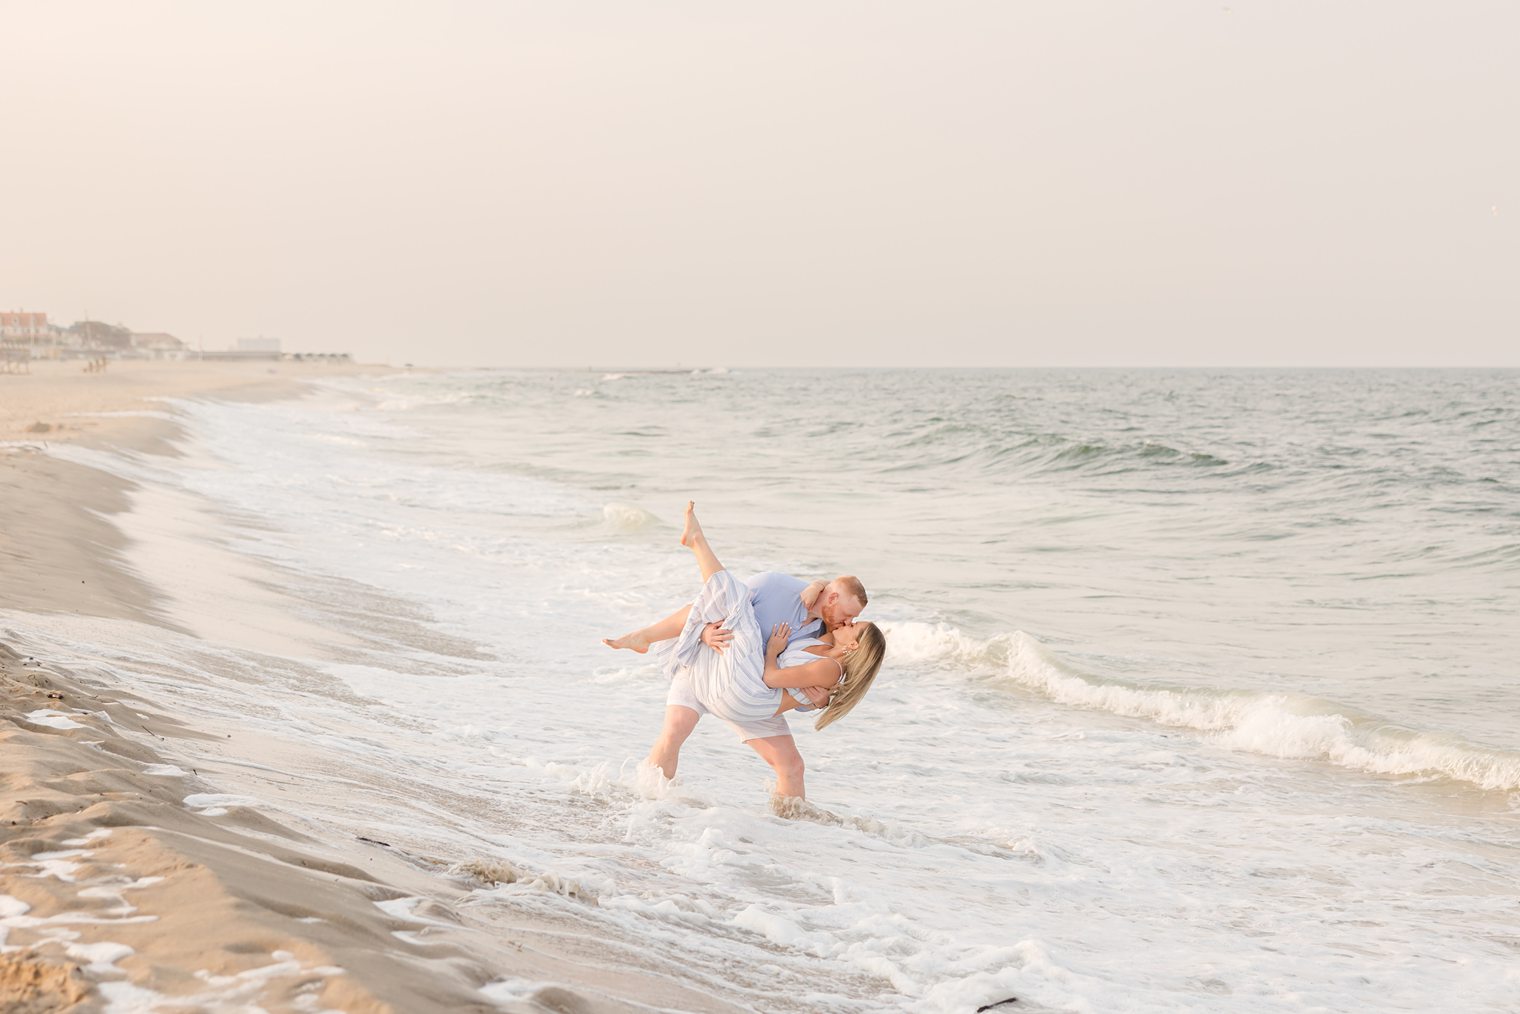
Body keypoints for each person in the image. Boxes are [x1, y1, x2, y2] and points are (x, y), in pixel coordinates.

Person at [605, 503, 885, 802]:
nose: (847, 622)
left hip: (750, 690)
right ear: (830, 596)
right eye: (847, 614)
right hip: (713, 659)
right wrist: (703, 632)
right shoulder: (775, 585)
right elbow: (710, 604)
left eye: (852, 621)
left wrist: (817, 702)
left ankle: (791, 831)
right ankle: (641, 801)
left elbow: (809, 681)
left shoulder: (825, 636)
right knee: (674, 731)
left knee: (791, 766)